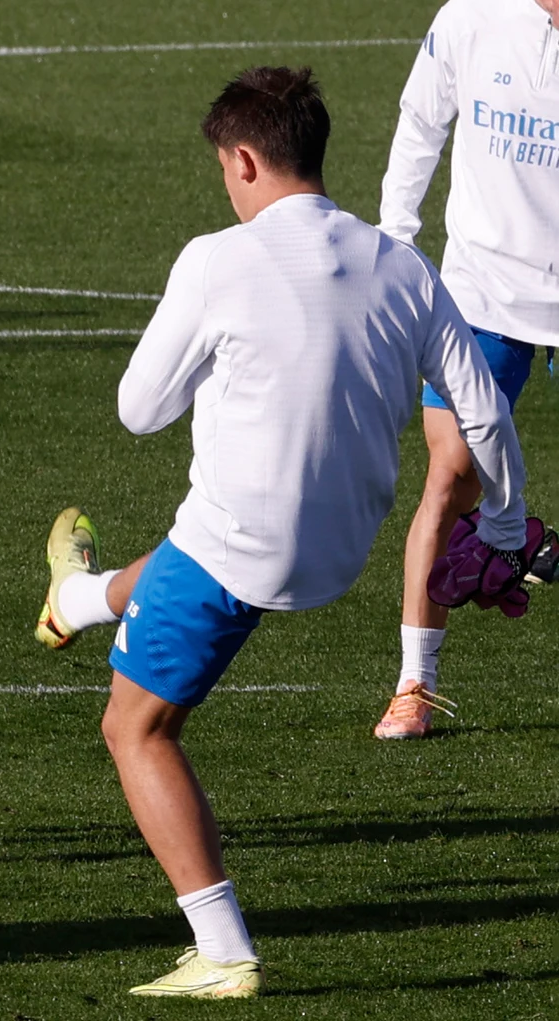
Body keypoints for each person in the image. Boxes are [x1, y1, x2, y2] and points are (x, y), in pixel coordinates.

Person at [32, 67, 528, 998]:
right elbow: (486, 415)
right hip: (347, 549)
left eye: (226, 167)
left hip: (245, 548)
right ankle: (77, 597)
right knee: (187, 554)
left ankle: (222, 951)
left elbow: (138, 411)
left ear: (247, 159)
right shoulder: (404, 265)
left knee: (135, 728)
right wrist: (500, 526)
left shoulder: (216, 260)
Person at [373, 0, 559, 739]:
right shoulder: (472, 16)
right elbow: (421, 123)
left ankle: (524, 537)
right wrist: (395, 240)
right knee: (449, 475)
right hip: (483, 291)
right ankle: (414, 685)